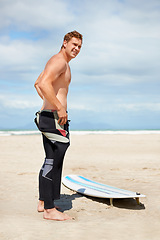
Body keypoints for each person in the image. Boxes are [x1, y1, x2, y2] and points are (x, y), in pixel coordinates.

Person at [34, 31, 83, 221]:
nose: (76, 49)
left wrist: (50, 104)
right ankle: (49, 210)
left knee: (51, 159)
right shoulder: (59, 61)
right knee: (54, 161)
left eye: (79, 46)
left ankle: (44, 202)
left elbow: (38, 83)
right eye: (74, 44)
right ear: (64, 43)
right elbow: (44, 83)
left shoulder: (62, 63)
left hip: (50, 116)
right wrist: (59, 107)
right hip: (54, 118)